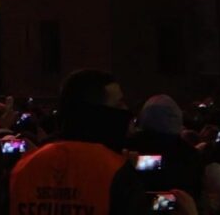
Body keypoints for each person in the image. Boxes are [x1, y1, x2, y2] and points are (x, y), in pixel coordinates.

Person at [8, 70, 138, 215]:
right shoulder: (116, 170)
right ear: (98, 114)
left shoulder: (24, 166)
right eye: (119, 105)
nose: (126, 110)